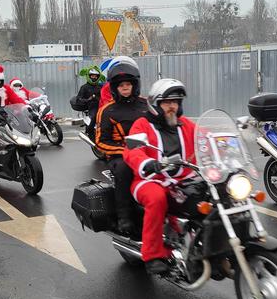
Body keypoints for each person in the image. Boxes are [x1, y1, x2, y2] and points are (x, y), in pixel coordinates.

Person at [124, 78, 196, 274]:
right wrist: (147, 163)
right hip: (149, 180)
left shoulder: (186, 125)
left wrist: (224, 145)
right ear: (156, 104)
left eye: (176, 101)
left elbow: (205, 140)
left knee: (211, 194)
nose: (172, 106)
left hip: (180, 179)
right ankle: (152, 254)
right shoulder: (143, 124)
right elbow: (133, 150)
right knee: (157, 199)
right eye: (167, 102)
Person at [95, 59, 148, 235]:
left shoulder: (146, 104)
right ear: (115, 88)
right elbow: (101, 142)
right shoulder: (108, 110)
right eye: (121, 85)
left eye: (128, 84)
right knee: (125, 170)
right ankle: (124, 217)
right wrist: (126, 151)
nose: (125, 88)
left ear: (135, 85)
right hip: (120, 156)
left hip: (148, 152)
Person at [74, 66, 102, 137]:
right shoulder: (84, 87)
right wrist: (88, 100)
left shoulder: (100, 86)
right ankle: (89, 131)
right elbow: (79, 99)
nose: (94, 77)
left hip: (102, 105)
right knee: (94, 116)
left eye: (96, 76)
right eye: (92, 76)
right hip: (91, 106)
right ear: (89, 76)